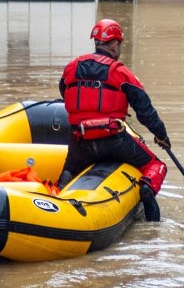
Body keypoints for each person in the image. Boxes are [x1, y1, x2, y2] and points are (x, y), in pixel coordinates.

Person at [59, 18, 170, 221]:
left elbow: (64, 90)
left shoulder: (71, 67)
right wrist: (161, 135)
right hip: (114, 141)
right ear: (115, 44)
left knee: (70, 169)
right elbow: (145, 111)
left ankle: (61, 188)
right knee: (158, 165)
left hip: (80, 140)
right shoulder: (120, 73)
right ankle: (146, 190)